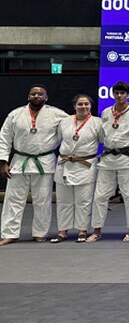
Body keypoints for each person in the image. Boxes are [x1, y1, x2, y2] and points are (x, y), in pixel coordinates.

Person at [0, 84, 68, 245]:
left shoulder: (57, 114)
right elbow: (4, 138)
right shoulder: (15, 114)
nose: (36, 96)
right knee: (12, 199)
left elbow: (73, 126)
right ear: (28, 96)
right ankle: (10, 233)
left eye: (40, 94)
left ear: (46, 97)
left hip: (44, 161)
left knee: (42, 200)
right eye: (33, 94)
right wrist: (3, 161)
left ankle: (40, 232)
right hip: (20, 161)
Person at [90, 81, 129, 242]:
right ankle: (96, 230)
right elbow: (103, 135)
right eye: (117, 93)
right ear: (113, 94)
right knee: (100, 196)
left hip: (126, 158)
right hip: (107, 158)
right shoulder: (106, 112)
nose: (119, 96)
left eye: (122, 93)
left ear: (128, 94)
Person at [52, 94, 103, 243]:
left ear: (90, 106)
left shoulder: (97, 123)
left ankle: (82, 230)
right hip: (65, 163)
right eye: (80, 104)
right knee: (63, 200)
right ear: (74, 106)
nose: (83, 107)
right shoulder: (65, 122)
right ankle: (63, 231)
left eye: (86, 104)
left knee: (84, 201)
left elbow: (103, 140)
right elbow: (58, 139)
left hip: (85, 165)